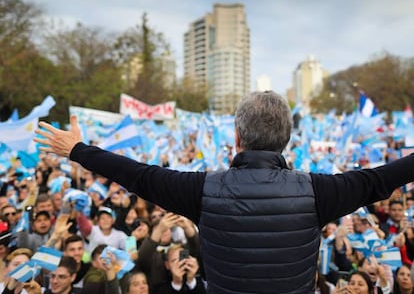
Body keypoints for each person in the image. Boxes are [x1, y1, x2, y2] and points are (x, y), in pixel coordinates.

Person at [34, 90, 414, 294]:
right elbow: (378, 180)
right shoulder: (319, 191)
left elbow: (140, 176)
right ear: (287, 140)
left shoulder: (202, 189)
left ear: (236, 138)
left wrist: (77, 150)